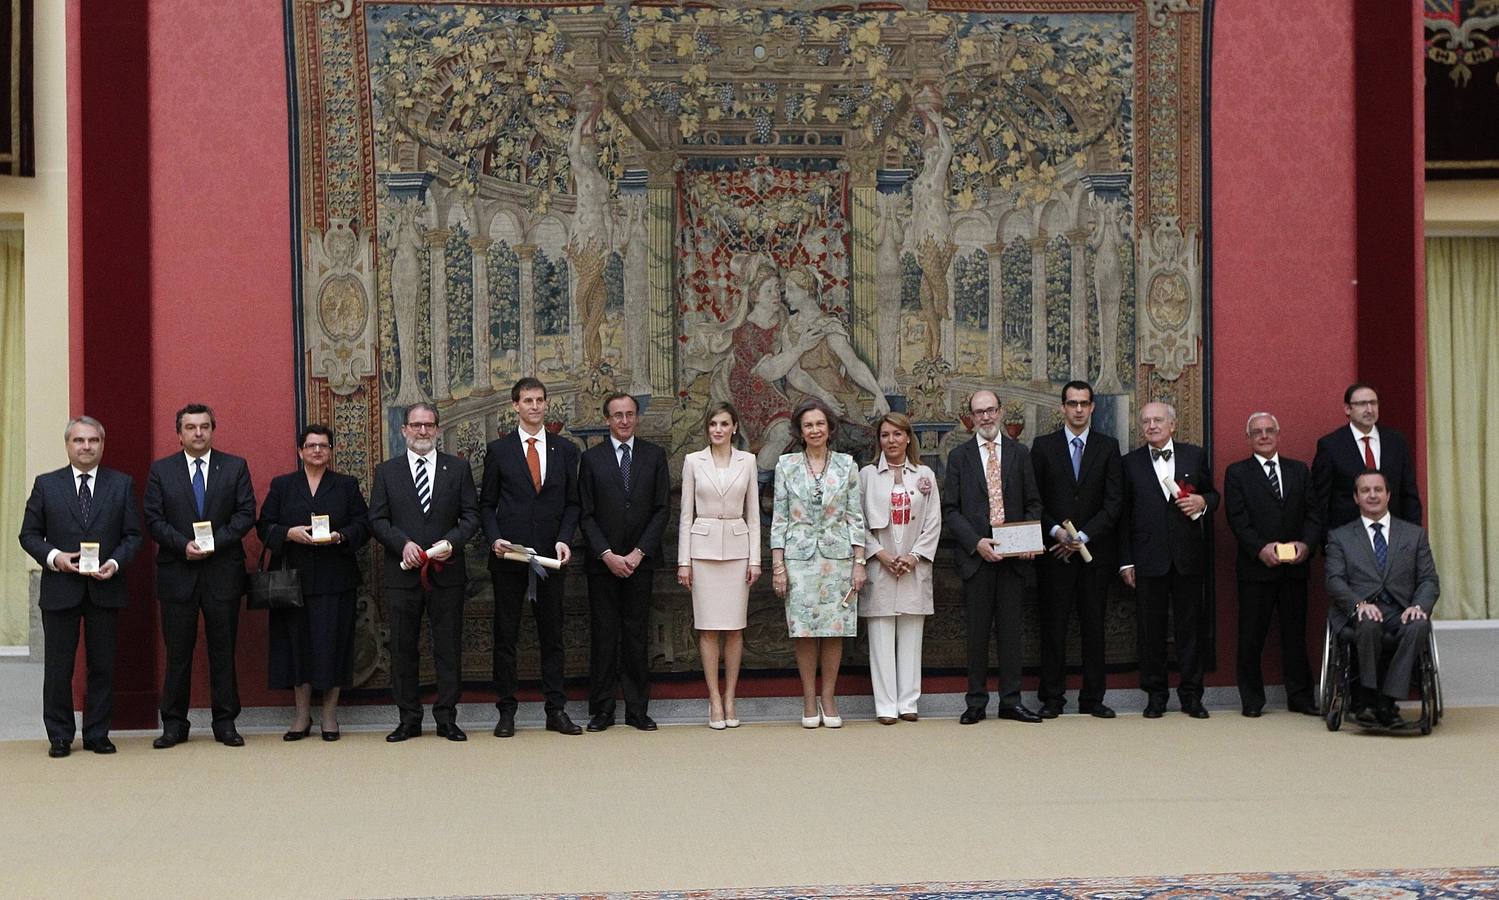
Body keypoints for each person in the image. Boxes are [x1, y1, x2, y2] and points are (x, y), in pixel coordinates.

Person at [18, 416, 142, 757]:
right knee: (59, 668)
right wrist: (55, 557)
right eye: (79, 441)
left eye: (93, 441)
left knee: (103, 666)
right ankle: (59, 735)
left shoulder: (122, 484)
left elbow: (133, 535)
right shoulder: (47, 484)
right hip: (61, 588)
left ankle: (97, 734)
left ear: (102, 445)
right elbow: (28, 535)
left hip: (106, 587)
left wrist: (114, 563)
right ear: (68, 445)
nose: (86, 446)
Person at [144, 403, 256, 749]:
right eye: (190, 428)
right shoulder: (161, 471)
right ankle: (174, 724)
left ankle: (225, 722)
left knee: (223, 651)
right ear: (179, 434)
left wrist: (215, 543)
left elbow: (246, 513)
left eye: (204, 427)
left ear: (212, 430)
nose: (198, 433)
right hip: (178, 573)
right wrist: (184, 545)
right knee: (178, 653)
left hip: (222, 572)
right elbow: (153, 518)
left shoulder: (234, 467)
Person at [369, 402, 480, 742]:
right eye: (415, 425)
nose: (422, 431)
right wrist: (402, 544)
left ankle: (447, 717)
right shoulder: (387, 472)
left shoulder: (458, 469)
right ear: (404, 430)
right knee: (403, 647)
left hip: (447, 572)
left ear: (437, 429)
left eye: (428, 425)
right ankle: (409, 718)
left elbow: (471, 517)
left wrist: (451, 542)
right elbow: (377, 520)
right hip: (403, 573)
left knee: (447, 645)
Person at [481, 377, 582, 737]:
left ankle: (556, 711)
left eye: (540, 400)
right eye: (528, 400)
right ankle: (506, 712)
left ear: (546, 404)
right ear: (515, 406)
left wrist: (565, 539)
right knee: (506, 636)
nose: (535, 406)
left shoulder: (566, 450)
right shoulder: (499, 451)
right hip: (509, 558)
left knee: (552, 636)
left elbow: (573, 503)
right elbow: (486, 505)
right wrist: (494, 539)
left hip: (550, 560)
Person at [255, 424, 370, 741]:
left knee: (333, 646)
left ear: (331, 451)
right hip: (293, 581)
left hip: (336, 578)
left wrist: (341, 535)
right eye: (311, 446)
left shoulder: (346, 485)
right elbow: (264, 526)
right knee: (296, 647)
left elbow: (363, 524)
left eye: (323, 446)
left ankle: (330, 717)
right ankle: (301, 716)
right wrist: (287, 533)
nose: (317, 450)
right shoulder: (283, 486)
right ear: (300, 451)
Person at [943, 389, 1044, 725]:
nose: (985, 417)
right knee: (977, 634)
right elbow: (951, 510)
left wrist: (1031, 537)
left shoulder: (1019, 453)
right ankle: (976, 702)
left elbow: (1034, 503)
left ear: (1001, 412)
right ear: (970, 418)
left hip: (1015, 561)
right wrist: (976, 543)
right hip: (977, 559)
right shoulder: (959, 457)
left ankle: (1011, 701)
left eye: (990, 411)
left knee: (1012, 634)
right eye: (978, 412)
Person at [1118, 401, 1219, 719]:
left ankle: (1191, 695)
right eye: (1146, 421)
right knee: (1151, 631)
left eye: (1158, 420)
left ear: (1172, 425)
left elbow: (1213, 495)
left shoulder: (1194, 455)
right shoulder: (1129, 463)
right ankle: (1156, 695)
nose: (1151, 426)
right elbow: (1123, 516)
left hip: (1188, 557)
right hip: (1148, 559)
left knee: (1191, 629)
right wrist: (1125, 562)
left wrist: (1203, 501)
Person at [770, 399, 866, 729]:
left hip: (838, 558)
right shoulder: (786, 466)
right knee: (804, 631)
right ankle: (809, 698)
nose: (815, 430)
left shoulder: (847, 465)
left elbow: (855, 516)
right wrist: (778, 566)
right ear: (799, 430)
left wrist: (859, 562)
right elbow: (779, 518)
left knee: (834, 630)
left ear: (830, 428)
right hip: (798, 559)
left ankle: (829, 697)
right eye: (808, 425)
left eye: (820, 424)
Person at [578, 392, 670, 732]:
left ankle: (636, 710)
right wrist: (607, 555)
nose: (624, 420)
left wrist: (636, 553)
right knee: (603, 637)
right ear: (607, 419)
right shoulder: (592, 460)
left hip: (640, 562)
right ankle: (602, 710)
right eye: (617, 415)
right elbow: (585, 514)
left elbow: (662, 510)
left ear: (637, 417)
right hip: (602, 563)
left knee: (636, 635)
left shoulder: (653, 455)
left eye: (629, 414)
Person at [1030, 380, 1123, 718]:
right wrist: (1057, 532)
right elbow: (1034, 501)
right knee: (1053, 628)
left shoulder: (1108, 447)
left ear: (1093, 407)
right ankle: (1052, 699)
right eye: (1072, 403)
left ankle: (1093, 699)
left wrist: (1082, 536)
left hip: (1093, 555)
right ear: (1062, 408)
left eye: (1084, 403)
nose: (1079, 409)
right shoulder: (1042, 447)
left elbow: (1114, 503)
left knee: (1094, 627)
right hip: (1054, 556)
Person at [1223, 412, 1322, 717]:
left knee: (1295, 637)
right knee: (1251, 637)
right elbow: (1237, 519)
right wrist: (1258, 548)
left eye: (1269, 431)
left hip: (1294, 568)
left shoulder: (1299, 470)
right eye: (1257, 432)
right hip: (1256, 570)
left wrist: (1307, 544)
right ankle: (1252, 700)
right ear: (1248, 438)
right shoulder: (1237, 473)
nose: (1264, 436)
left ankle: (1301, 697)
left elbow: (1314, 513)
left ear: (1279, 434)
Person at [1325, 470, 1439, 728]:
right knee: (1367, 622)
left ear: (1388, 495)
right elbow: (1334, 581)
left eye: (1378, 490)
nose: (1372, 495)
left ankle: (1387, 700)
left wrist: (1418, 606)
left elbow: (1429, 580)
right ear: (1356, 498)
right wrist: (1358, 604)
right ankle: (1366, 697)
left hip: (1401, 610)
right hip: (1358, 610)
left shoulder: (1413, 535)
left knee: (1420, 624)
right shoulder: (1340, 536)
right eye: (1365, 491)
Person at [676, 402, 760, 729]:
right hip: (703, 550)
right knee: (708, 627)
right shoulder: (693, 461)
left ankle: (730, 697)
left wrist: (755, 559)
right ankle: (713, 698)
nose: (718, 430)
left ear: (735, 427)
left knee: (735, 628)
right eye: (713, 424)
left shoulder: (748, 461)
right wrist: (684, 562)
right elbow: (685, 515)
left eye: (724, 424)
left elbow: (753, 515)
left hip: (739, 551)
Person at [858, 412, 941, 724]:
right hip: (880, 566)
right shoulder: (866, 475)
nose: (890, 441)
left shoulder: (924, 475)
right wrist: (879, 554)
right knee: (880, 637)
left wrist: (914, 556)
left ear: (908, 438)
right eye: (884, 435)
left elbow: (933, 522)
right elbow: (858, 521)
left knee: (911, 637)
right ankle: (885, 706)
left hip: (912, 567)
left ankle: (908, 703)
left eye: (896, 434)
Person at [1312, 383, 1422, 536]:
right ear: (1348, 409)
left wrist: (1413, 536)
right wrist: (1328, 540)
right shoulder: (1331, 445)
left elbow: (1409, 493)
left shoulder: (1396, 442)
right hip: (1348, 539)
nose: (1369, 409)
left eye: (1373, 403)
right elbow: (1320, 500)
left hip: (1395, 537)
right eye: (1362, 404)